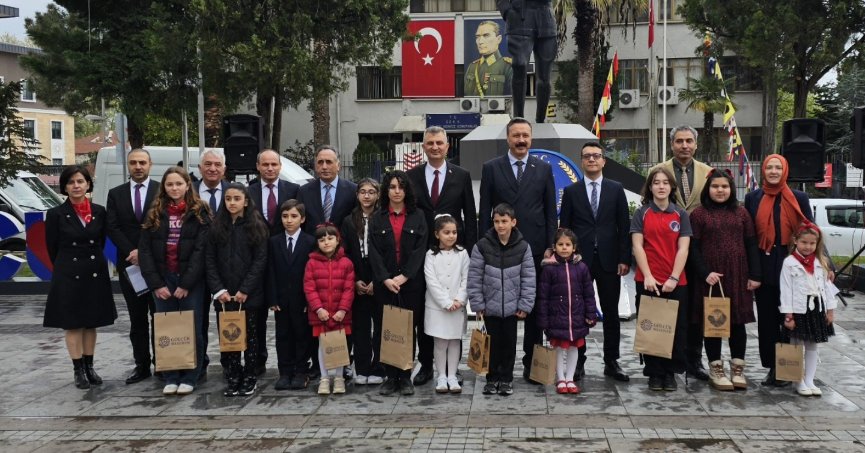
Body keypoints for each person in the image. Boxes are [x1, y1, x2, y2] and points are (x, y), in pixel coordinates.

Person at [479, 117, 555, 383]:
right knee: (498, 311)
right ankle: (496, 365)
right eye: (516, 136)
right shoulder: (491, 167)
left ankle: (531, 364)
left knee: (531, 308)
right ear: (508, 139)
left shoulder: (543, 169)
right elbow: (484, 211)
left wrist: (549, 247)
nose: (521, 140)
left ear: (531, 138)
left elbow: (549, 212)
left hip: (533, 250)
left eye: (525, 135)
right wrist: (483, 246)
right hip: (498, 253)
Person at [743, 154, 825, 387]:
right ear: (763, 171)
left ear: (785, 170)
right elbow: (750, 237)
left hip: (793, 264)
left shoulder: (799, 197)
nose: (774, 171)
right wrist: (752, 271)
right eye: (769, 167)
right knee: (768, 320)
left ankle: (790, 368)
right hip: (765, 263)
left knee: (791, 318)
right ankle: (773, 368)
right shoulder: (753, 198)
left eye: (778, 167)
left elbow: (811, 231)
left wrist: (824, 263)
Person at [407, 126, 478, 386]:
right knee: (427, 311)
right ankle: (426, 365)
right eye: (430, 143)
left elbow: (469, 216)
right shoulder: (411, 176)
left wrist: (470, 250)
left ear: (448, 146)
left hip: (453, 253)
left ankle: (452, 369)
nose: (435, 147)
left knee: (452, 312)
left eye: (439, 143)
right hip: (421, 253)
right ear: (423, 147)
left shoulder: (461, 175)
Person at [559, 142, 631, 382]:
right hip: (581, 261)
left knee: (611, 312)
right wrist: (567, 257)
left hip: (611, 261)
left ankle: (612, 361)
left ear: (603, 161)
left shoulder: (616, 189)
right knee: (577, 312)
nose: (592, 160)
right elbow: (566, 229)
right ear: (581, 161)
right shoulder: (572, 192)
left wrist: (624, 258)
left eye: (596, 156)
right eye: (587, 156)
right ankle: (578, 361)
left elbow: (624, 226)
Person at [44, 165, 117, 389]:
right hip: (68, 273)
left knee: (91, 323)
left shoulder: (99, 211)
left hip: (94, 272)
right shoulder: (56, 213)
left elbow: (104, 241)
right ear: (65, 187)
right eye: (71, 182)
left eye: (80, 181)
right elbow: (52, 248)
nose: (76, 186)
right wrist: (66, 266)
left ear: (88, 184)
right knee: (73, 324)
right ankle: (78, 369)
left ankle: (90, 366)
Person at [139, 167, 210, 396]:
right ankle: (171, 375)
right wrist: (156, 284)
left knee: (192, 329)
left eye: (179, 184)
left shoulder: (200, 212)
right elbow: (145, 251)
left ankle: (191, 375)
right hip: (163, 279)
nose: (174, 188)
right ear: (164, 187)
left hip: (191, 281)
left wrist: (186, 284)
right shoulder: (154, 212)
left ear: (188, 185)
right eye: (170, 184)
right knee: (166, 328)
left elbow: (202, 251)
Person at [688, 169, 761, 391]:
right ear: (708, 189)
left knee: (738, 324)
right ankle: (716, 368)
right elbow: (693, 248)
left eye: (725, 187)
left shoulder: (742, 214)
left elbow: (751, 244)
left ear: (731, 189)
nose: (720, 190)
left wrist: (755, 275)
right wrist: (704, 273)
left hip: (738, 276)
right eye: (715, 186)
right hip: (711, 278)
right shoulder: (698, 215)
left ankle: (737, 369)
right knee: (714, 324)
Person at [651, 125, 714, 381]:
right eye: (679, 141)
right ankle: (664, 363)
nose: (684, 146)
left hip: (699, 248)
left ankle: (694, 360)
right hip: (666, 250)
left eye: (689, 141)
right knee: (666, 311)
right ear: (672, 144)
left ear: (696, 145)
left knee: (695, 310)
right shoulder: (659, 171)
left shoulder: (707, 172)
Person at [297, 145, 357, 378]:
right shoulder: (305, 191)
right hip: (314, 260)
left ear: (338, 164)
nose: (324, 166)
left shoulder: (351, 190)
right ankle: (318, 364)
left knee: (344, 316)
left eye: (329, 162)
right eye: (320, 162)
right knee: (316, 315)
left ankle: (345, 362)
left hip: (343, 261)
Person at [631, 167, 691, 392]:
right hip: (647, 281)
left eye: (665, 182)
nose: (661, 186)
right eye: (656, 182)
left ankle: (670, 373)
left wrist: (674, 278)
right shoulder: (642, 213)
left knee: (675, 329)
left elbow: (683, 249)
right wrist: (647, 276)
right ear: (650, 187)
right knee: (651, 327)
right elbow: (638, 246)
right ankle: (654, 373)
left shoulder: (680, 215)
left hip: (676, 282)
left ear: (671, 187)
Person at [205, 183, 269, 397]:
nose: (232, 202)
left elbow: (260, 262)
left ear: (246, 201)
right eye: (228, 199)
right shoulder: (216, 226)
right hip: (224, 296)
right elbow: (210, 260)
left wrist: (245, 289)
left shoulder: (257, 226)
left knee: (250, 338)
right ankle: (233, 375)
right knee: (228, 337)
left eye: (236, 199)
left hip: (248, 296)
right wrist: (218, 290)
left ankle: (250, 376)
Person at [368, 171, 429, 397]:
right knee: (386, 329)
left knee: (406, 329)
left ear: (406, 191)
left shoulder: (418, 216)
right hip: (385, 283)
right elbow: (373, 251)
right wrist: (385, 278)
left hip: (409, 283)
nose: (396, 191)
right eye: (392, 187)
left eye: (400, 187)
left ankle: (404, 377)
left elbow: (419, 250)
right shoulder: (377, 217)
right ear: (386, 190)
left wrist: (404, 276)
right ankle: (389, 377)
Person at [468, 203, 536, 397]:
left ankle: (506, 379)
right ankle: (491, 379)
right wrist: (478, 304)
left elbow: (529, 278)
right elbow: (474, 277)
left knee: (509, 345)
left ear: (513, 222)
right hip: (490, 308)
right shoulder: (482, 246)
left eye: (504, 221)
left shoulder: (523, 247)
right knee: (491, 345)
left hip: (512, 309)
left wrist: (525, 304)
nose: (500, 225)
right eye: (497, 221)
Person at [106, 149, 160, 384]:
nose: (138, 167)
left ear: (150, 164)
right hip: (130, 265)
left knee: (159, 316)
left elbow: (164, 225)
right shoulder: (115, 194)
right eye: (133, 163)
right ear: (128, 166)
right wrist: (132, 252)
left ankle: (163, 363)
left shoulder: (162, 190)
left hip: (157, 265)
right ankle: (141, 365)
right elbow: (113, 227)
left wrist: (144, 252)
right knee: (137, 319)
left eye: (142, 162)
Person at [247, 149, 300, 376]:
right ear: (258, 167)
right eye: (265, 164)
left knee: (288, 318)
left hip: (285, 261)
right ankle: (257, 360)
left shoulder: (294, 190)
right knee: (255, 316)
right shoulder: (247, 193)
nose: (270, 168)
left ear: (280, 166)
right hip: (254, 261)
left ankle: (295, 364)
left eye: (274, 164)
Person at [537, 228, 596, 395]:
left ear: (574, 247)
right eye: (560, 244)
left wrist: (590, 314)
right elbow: (543, 296)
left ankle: (570, 378)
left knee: (573, 348)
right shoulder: (549, 269)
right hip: (557, 317)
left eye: (568, 244)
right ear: (554, 247)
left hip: (576, 317)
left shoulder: (582, 267)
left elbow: (588, 293)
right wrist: (543, 320)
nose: (564, 248)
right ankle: (560, 378)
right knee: (558, 348)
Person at [780, 222, 837, 396]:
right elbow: (786, 289)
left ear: (817, 244)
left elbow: (827, 288)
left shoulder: (821, 262)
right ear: (796, 241)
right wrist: (788, 314)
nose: (808, 247)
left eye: (812, 243)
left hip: (817, 309)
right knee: (797, 345)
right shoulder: (789, 263)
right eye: (804, 242)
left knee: (813, 345)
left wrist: (830, 310)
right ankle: (798, 381)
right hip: (798, 309)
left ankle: (810, 379)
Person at [340, 178, 385, 385]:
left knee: (381, 324)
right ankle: (362, 367)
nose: (367, 196)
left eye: (371, 192)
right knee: (361, 326)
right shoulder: (349, 221)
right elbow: (345, 252)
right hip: (357, 275)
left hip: (378, 276)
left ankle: (379, 366)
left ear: (377, 195)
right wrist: (356, 280)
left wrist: (379, 279)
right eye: (363, 192)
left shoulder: (383, 218)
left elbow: (386, 252)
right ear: (357, 195)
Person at [268, 200, 316, 391]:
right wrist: (272, 298)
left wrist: (308, 300)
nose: (289, 220)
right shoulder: (274, 242)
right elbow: (270, 271)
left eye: (294, 216)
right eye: (285, 216)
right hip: (281, 299)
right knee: (283, 335)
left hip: (301, 299)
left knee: (302, 335)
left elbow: (312, 274)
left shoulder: (310, 241)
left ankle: (301, 371)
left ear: (302, 219)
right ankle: (284, 372)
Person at [305, 223, 355, 395]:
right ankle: (324, 378)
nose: (326, 242)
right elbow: (309, 288)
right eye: (322, 239)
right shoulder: (311, 263)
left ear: (337, 240)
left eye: (330, 238)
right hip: (322, 313)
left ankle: (339, 378)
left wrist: (342, 310)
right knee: (322, 345)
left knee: (339, 345)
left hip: (340, 313)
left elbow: (349, 289)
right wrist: (318, 309)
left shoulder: (347, 263)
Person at [423, 214, 470, 394]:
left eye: (454, 232)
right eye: (446, 232)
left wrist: (459, 299)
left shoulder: (463, 253)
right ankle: (441, 375)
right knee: (440, 342)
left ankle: (452, 375)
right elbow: (431, 281)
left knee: (454, 341)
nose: (451, 236)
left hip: (457, 306)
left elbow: (466, 278)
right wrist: (445, 302)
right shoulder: (430, 255)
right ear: (437, 234)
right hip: (437, 307)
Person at [193, 148, 229, 378]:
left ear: (224, 169)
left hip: (225, 267)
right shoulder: (189, 193)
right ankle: (198, 364)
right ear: (199, 168)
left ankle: (229, 363)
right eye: (208, 164)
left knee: (226, 318)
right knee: (197, 318)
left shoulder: (235, 192)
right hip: (194, 267)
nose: (212, 168)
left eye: (217, 164)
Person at [496, 0, 556, 122]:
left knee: (544, 77)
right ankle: (519, 118)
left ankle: (540, 120)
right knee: (519, 65)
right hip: (518, 17)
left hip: (545, 19)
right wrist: (507, 11)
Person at [464, 20, 513, 97]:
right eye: (477, 37)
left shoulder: (508, 67)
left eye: (486, 35)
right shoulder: (472, 67)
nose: (480, 41)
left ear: (498, 39)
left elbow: (512, 98)